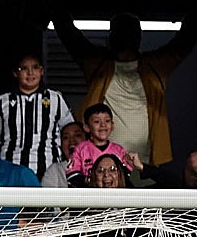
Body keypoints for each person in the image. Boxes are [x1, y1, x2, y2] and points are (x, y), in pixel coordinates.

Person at [53, 9, 197, 168]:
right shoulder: (98, 65)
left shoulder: (154, 66)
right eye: (119, 32)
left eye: (129, 33)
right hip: (100, 165)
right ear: (111, 37)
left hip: (144, 165)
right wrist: (54, 6)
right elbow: (71, 37)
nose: (124, 37)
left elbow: (184, 41)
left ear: (138, 37)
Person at [0, 53, 75, 181]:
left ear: (42, 71)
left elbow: (70, 132)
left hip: (48, 172)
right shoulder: (3, 101)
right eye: (24, 68)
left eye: (35, 67)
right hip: (11, 171)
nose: (30, 73)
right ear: (15, 73)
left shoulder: (55, 98)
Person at [66, 103, 132, 186]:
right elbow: (72, 176)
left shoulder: (119, 150)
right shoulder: (80, 149)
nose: (103, 125)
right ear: (87, 127)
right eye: (97, 121)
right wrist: (92, 181)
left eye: (107, 121)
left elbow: (125, 175)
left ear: (112, 125)